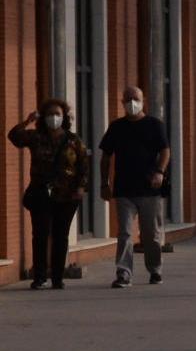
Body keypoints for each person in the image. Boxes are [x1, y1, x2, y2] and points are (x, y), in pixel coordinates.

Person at [9, 99, 89, 290]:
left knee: (61, 236)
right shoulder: (36, 137)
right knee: (40, 234)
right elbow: (13, 136)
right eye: (50, 114)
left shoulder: (73, 140)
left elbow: (83, 166)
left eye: (57, 114)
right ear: (44, 118)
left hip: (67, 196)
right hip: (41, 194)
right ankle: (39, 276)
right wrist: (27, 121)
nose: (54, 118)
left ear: (64, 117)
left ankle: (57, 277)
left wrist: (81, 188)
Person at [99, 86, 170, 287]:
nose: (132, 102)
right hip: (124, 190)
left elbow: (165, 151)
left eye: (135, 98)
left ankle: (155, 270)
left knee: (151, 234)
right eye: (128, 99)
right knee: (125, 233)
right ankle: (124, 273)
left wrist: (159, 172)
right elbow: (105, 156)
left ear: (143, 100)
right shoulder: (116, 127)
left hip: (150, 189)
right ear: (122, 102)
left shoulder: (154, 125)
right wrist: (104, 183)